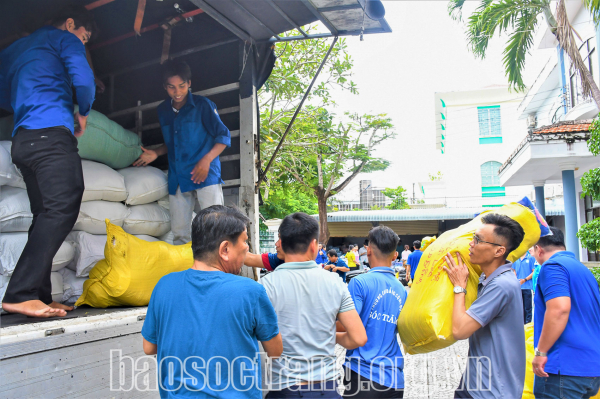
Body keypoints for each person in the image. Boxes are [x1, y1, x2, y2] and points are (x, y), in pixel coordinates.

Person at [0, 5, 96, 318]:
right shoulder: (62, 39)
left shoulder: (16, 49)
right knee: (64, 205)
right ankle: (20, 292)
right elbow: (83, 79)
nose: (81, 43)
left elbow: (4, 93)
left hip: (23, 141)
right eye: (83, 37)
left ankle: (37, 295)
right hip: (50, 135)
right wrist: (83, 110)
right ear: (70, 24)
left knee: (45, 213)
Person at [141, 205, 283, 397]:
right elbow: (275, 350)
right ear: (225, 249)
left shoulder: (164, 286)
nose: (247, 248)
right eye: (244, 241)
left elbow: (149, 347)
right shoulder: (251, 291)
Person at [260, 213, 367, 398]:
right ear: (313, 245)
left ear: (281, 245)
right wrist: (329, 334)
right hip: (326, 389)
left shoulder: (264, 286)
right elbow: (358, 338)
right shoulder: (335, 282)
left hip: (285, 389)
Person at [133, 60, 231, 245]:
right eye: (171, 87)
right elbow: (174, 142)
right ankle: (185, 272)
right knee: (179, 234)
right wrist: (156, 152)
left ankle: (216, 272)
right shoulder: (163, 110)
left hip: (205, 173)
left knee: (215, 229)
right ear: (165, 87)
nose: (177, 92)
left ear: (189, 83)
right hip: (178, 175)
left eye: (181, 86)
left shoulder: (204, 105)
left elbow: (223, 137)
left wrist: (207, 160)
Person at [443, 213, 526, 399]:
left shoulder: (500, 285)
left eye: (478, 240)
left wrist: (459, 287)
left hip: (491, 390)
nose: (471, 244)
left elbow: (460, 330)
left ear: (499, 251)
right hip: (477, 381)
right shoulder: (491, 279)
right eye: (473, 238)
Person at [531, 227, 600, 399]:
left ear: (539, 249)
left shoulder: (552, 266)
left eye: (531, 250)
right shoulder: (582, 269)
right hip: (590, 367)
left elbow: (559, 309)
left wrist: (541, 352)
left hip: (564, 368)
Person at [342, 226, 408, 398]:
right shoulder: (401, 290)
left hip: (363, 375)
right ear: (395, 255)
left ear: (368, 251)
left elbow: (346, 325)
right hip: (395, 379)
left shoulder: (359, 283)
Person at [512, 249, 536, 323]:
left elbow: (534, 272)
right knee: (519, 309)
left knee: (527, 308)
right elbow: (514, 272)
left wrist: (525, 280)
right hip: (518, 288)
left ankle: (527, 327)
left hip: (527, 287)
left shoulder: (531, 258)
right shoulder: (516, 259)